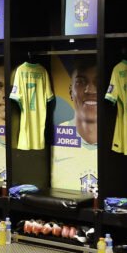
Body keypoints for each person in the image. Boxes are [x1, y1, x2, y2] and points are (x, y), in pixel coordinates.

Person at [51, 59, 98, 194]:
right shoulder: (55, 137)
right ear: (71, 91)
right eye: (81, 82)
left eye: (98, 82)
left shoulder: (119, 139)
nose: (90, 90)